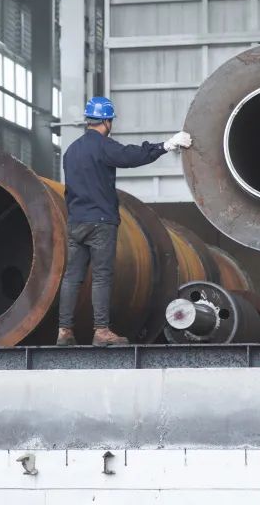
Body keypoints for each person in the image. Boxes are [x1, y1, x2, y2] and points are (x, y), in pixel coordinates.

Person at [56, 96, 192, 346]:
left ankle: (64, 331)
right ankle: (101, 331)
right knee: (101, 277)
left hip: (76, 222)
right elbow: (131, 156)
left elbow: (69, 189)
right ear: (107, 121)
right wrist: (166, 145)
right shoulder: (103, 146)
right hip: (100, 222)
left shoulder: (71, 151)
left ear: (89, 119)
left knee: (72, 278)